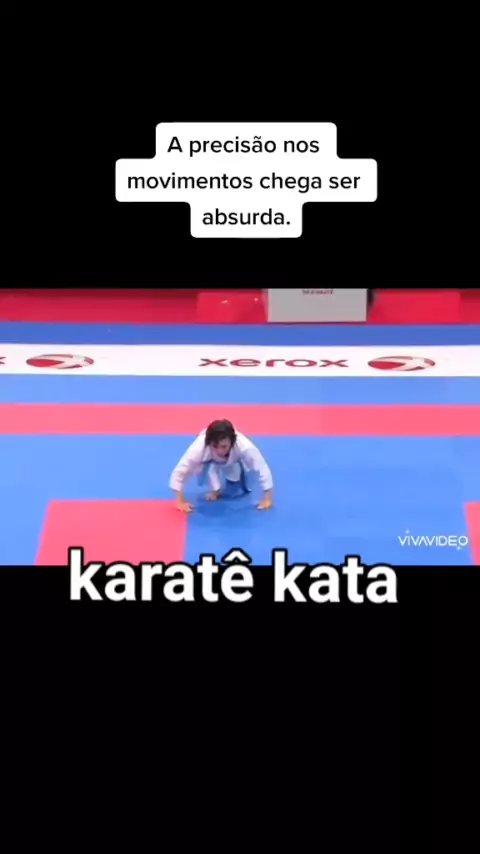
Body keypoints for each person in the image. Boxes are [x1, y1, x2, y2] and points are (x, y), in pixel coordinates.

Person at [169, 419, 273, 513]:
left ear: (232, 442)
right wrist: (179, 501)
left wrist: (267, 498)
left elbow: (261, 467)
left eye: (224, 446)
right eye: (215, 446)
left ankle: (237, 470)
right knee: (202, 472)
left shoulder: (245, 447)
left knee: (235, 482)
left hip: (234, 459)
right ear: (209, 443)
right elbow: (181, 471)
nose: (219, 450)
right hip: (209, 460)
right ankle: (216, 490)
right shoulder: (199, 448)